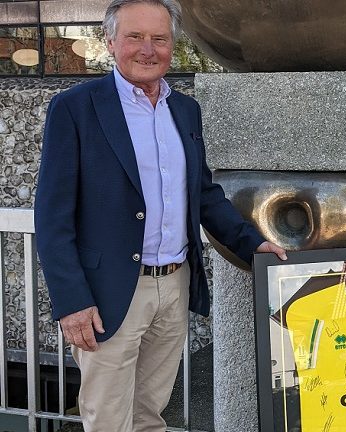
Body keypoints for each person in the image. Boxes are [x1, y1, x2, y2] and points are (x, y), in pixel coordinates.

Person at [34, 1, 286, 430]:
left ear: (173, 45)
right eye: (134, 37)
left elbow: (203, 193)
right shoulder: (76, 108)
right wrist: (72, 302)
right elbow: (52, 214)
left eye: (159, 38)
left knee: (151, 414)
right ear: (111, 42)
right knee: (108, 419)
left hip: (174, 287)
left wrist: (251, 241)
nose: (147, 49)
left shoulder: (184, 109)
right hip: (108, 294)